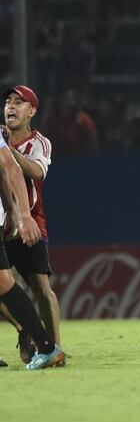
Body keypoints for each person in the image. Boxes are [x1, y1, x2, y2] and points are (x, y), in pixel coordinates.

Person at [0, 85, 63, 369]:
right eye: (8, 102)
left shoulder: (39, 142)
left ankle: (53, 345)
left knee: (40, 287)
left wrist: (8, 149)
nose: (10, 107)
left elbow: (37, 171)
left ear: (32, 111)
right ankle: (27, 330)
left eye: (19, 102)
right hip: (4, 219)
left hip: (31, 220)